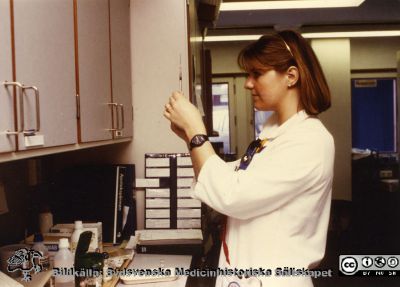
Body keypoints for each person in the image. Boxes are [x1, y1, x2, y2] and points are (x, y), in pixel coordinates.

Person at [164, 30, 334, 287]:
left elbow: (231, 195)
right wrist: (191, 139)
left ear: (290, 76)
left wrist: (196, 133)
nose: (248, 83)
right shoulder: (273, 135)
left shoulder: (310, 141)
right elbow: (221, 177)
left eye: (257, 74)